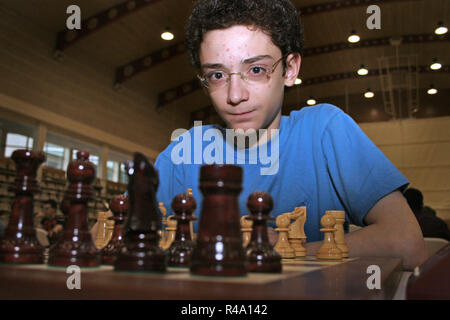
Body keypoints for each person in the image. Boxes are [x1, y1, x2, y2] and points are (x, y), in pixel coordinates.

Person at [154, 0, 427, 270]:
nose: (234, 95)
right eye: (217, 75)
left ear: (290, 68)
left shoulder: (324, 131)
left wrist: (285, 251)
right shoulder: (182, 156)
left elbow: (406, 244)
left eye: (256, 70)